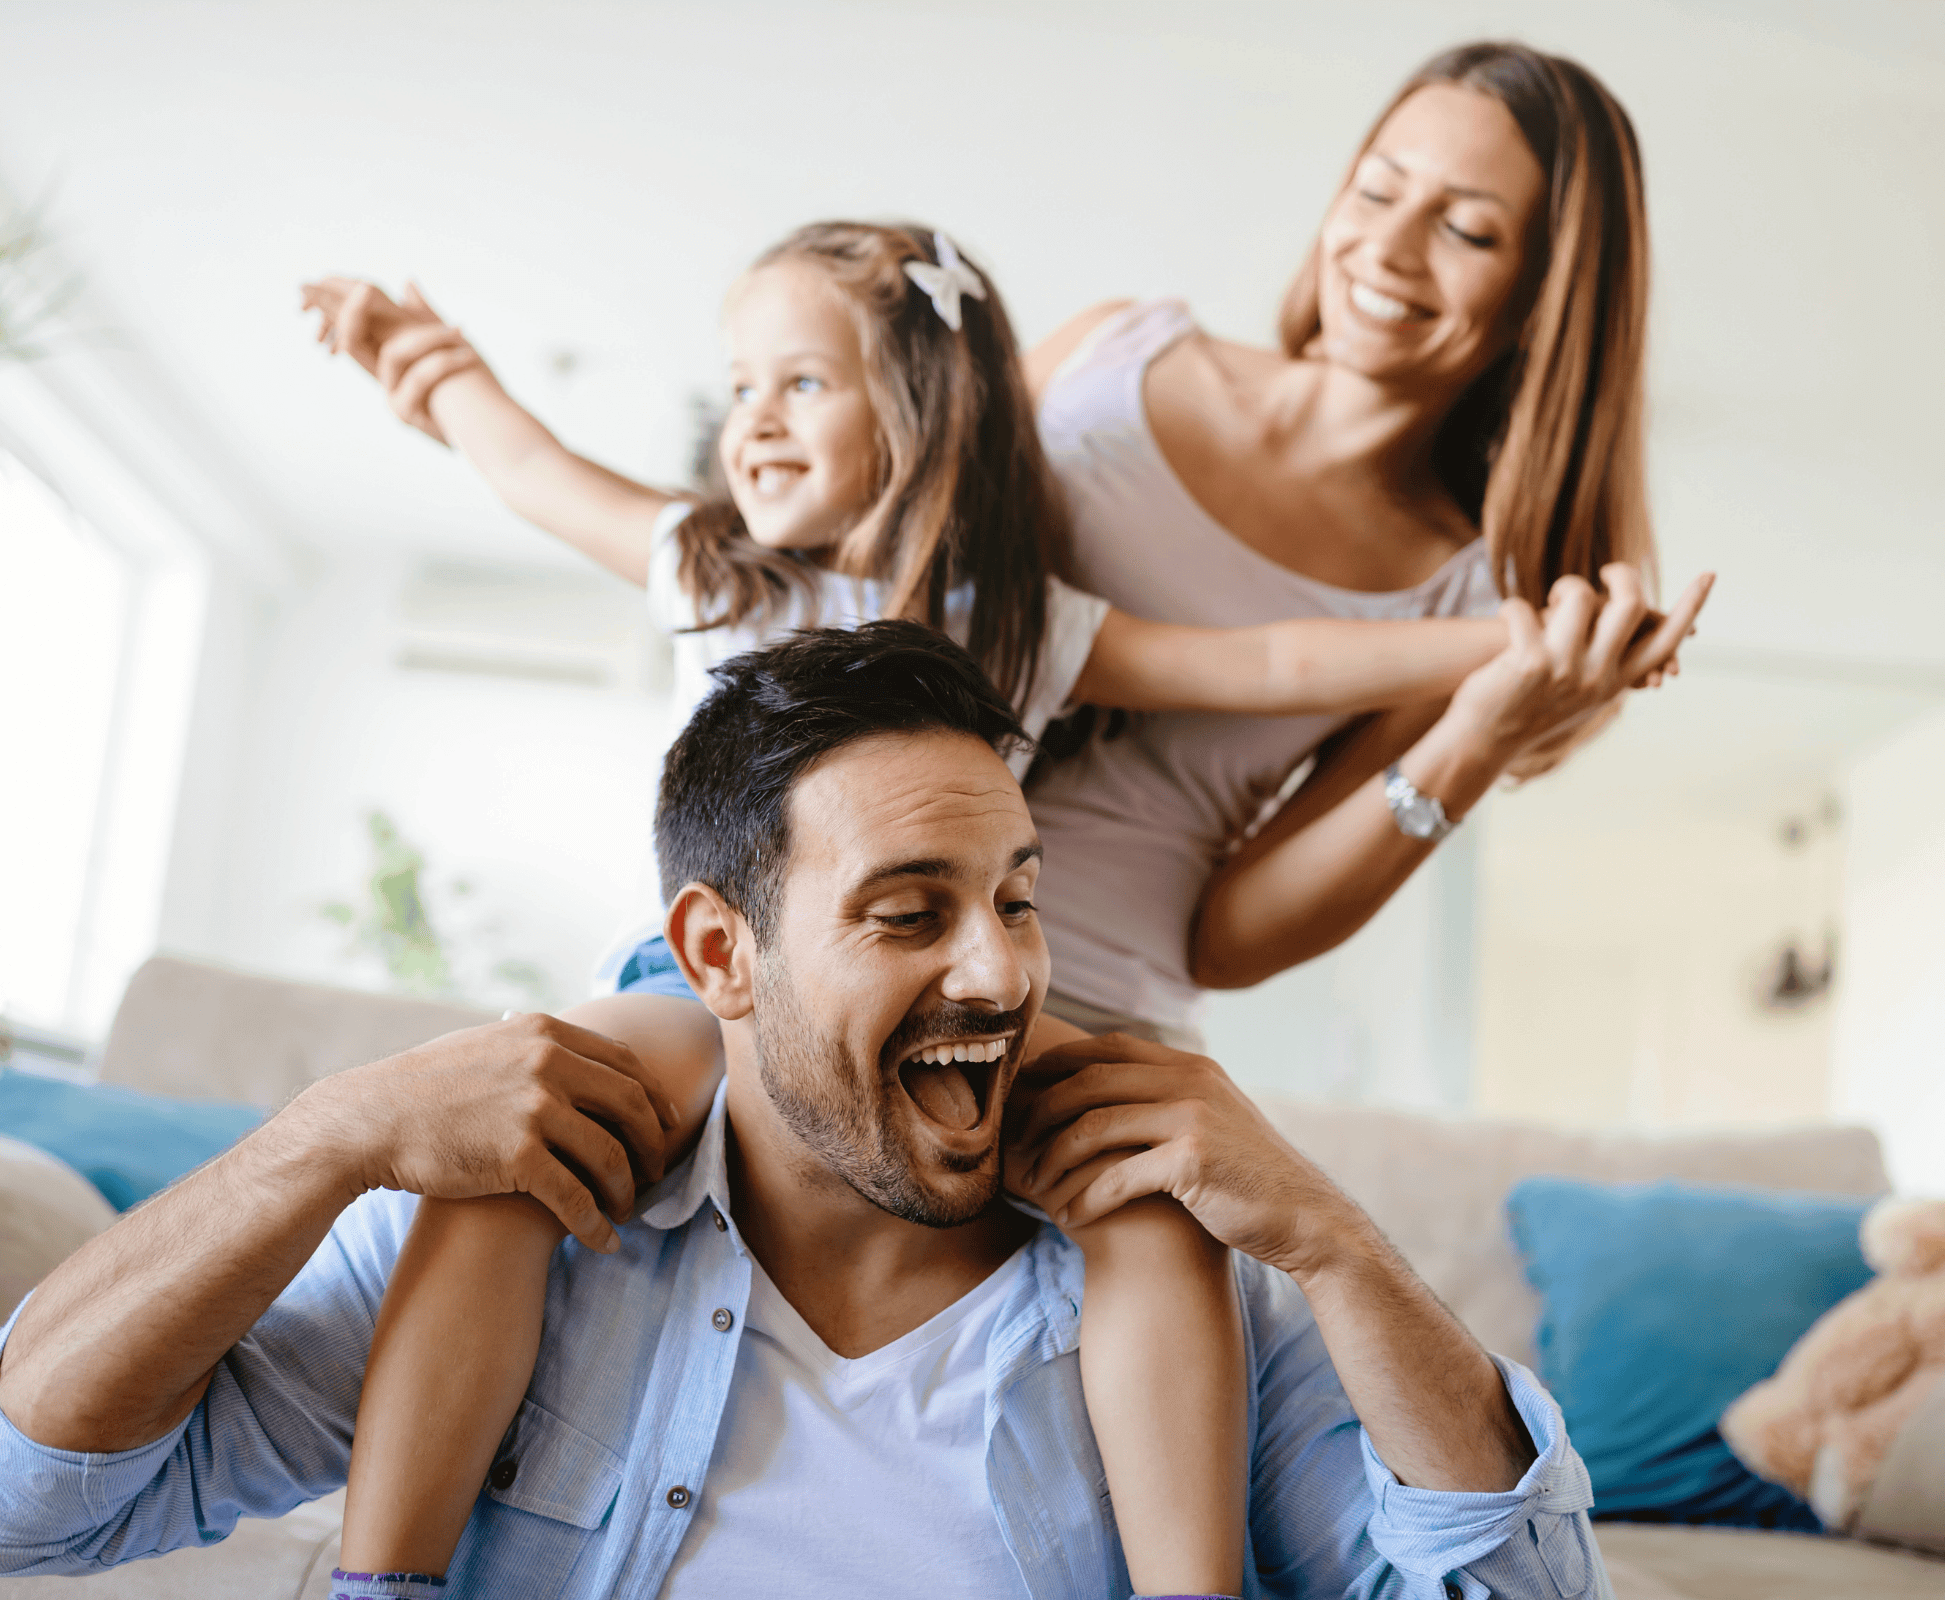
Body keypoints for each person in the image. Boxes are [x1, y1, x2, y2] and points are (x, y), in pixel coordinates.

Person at [297, 220, 1604, 1596]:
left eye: (800, 384)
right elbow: (534, 471)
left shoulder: (1030, 622)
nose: (754, 422)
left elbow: (1275, 656)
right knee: (519, 1154)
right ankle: (382, 1580)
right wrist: (433, 370)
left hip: (962, 1019)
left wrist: (1518, 642)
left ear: (923, 407)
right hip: (716, 999)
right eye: (741, 389)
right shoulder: (718, 566)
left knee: (1148, 1210)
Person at [0, 621, 1607, 1598]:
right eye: (910, 914)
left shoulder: (1182, 1283)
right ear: (721, 953)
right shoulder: (535, 1231)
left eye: (1019, 900)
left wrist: (1333, 1243)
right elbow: (31, 1509)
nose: (999, 974)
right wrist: (325, 1135)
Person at [1021, 39, 1712, 1036]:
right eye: (1375, 191)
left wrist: (1479, 735)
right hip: (838, 930)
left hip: (1085, 1018)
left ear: (1540, 301)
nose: (1385, 250)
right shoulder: (1104, 352)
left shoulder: (1464, 597)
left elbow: (1229, 942)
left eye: (1466, 232)